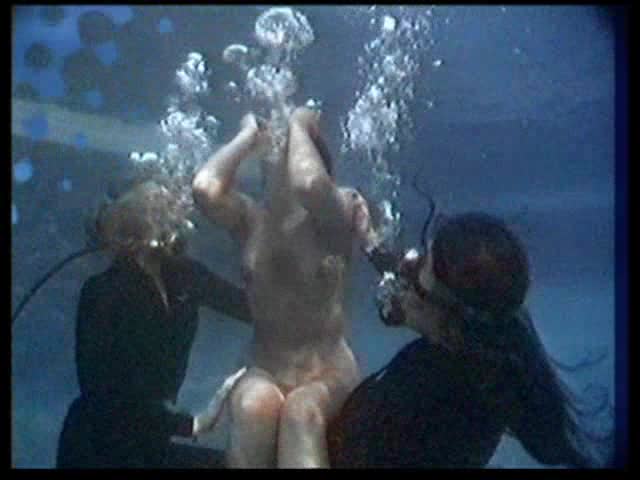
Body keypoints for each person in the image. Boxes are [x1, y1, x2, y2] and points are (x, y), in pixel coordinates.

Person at [327, 211, 612, 468]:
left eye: (422, 269)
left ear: (450, 320)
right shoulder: (486, 358)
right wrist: (370, 240)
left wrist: (308, 419)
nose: (409, 270)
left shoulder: (424, 394)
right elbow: (411, 281)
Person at [192, 107, 377, 468]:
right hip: (264, 364)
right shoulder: (250, 218)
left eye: (287, 153)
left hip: (328, 368)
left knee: (301, 412)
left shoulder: (334, 213)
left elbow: (309, 184)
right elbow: (204, 189)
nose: (277, 163)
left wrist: (299, 122)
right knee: (251, 406)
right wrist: (247, 135)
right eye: (273, 156)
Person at [56, 178, 253, 468]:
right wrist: (191, 424)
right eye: (157, 207)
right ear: (129, 223)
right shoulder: (102, 292)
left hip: (150, 444)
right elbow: (103, 394)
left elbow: (251, 307)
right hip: (99, 449)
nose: (174, 214)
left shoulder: (184, 275)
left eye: (169, 205)